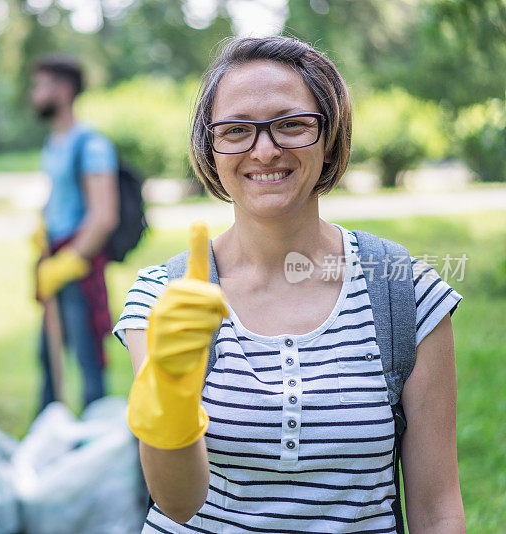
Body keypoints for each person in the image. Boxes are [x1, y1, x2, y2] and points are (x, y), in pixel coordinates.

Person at [113, 37, 466, 533]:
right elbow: (176, 502)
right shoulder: (164, 298)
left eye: (291, 125)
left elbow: (437, 509)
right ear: (209, 149)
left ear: (330, 136)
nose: (264, 149)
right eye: (236, 130)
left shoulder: (404, 293)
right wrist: (170, 387)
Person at [29, 55, 120, 411]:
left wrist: (67, 263)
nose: (33, 94)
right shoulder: (54, 142)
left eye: (39, 86)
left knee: (88, 359)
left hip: (77, 268)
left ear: (63, 91)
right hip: (54, 259)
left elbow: (104, 216)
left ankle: (95, 437)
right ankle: (48, 434)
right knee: (47, 356)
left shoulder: (91, 145)